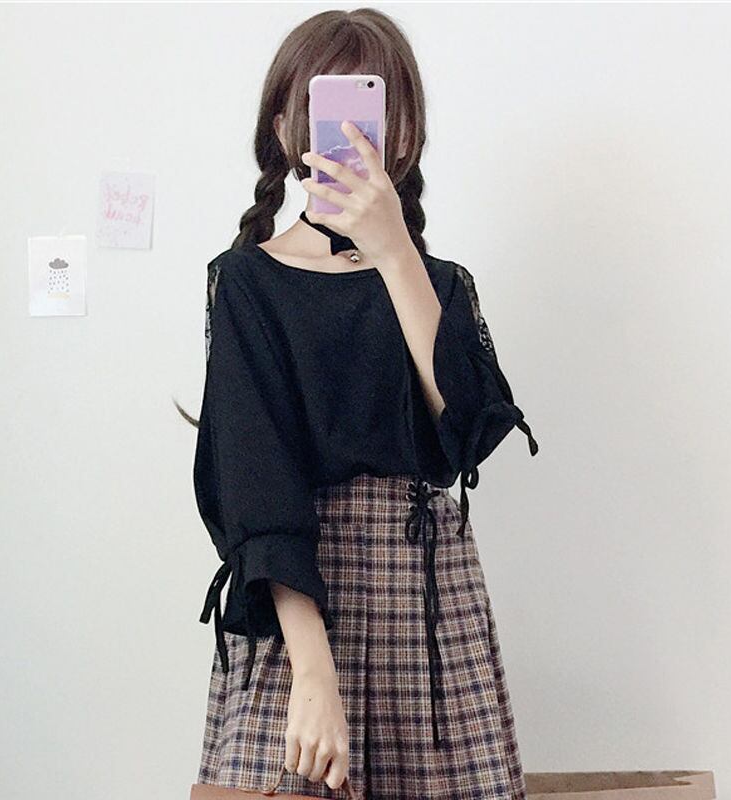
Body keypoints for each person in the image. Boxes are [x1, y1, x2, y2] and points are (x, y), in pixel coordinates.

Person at [176, 8, 539, 800]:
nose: (351, 134)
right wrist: (313, 671)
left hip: (427, 600)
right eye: (323, 108)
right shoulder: (246, 283)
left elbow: (468, 435)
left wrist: (393, 249)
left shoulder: (440, 285)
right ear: (286, 127)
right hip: (296, 596)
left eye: (373, 109)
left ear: (404, 134)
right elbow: (255, 481)